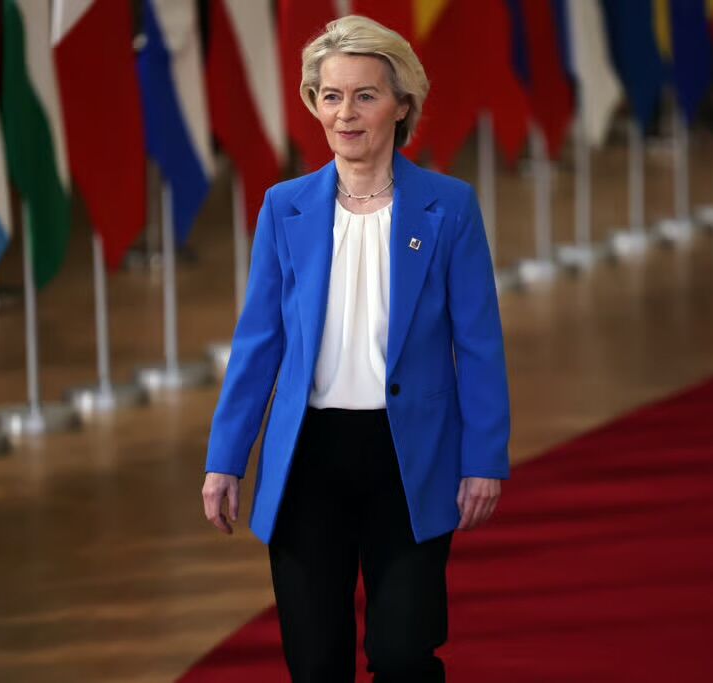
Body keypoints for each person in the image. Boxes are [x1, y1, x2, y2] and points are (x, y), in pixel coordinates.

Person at [201, 15, 510, 683]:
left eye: (365, 95)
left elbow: (479, 342)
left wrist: (484, 458)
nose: (345, 113)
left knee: (403, 654)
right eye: (330, 96)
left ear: (401, 104)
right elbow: (258, 343)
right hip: (308, 459)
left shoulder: (449, 207)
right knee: (316, 663)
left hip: (412, 457)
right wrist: (225, 458)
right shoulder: (284, 208)